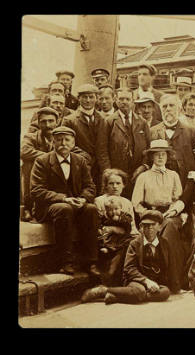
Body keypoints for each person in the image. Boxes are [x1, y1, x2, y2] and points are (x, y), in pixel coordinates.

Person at [30, 126, 100, 277]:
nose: (63, 143)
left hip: (75, 204)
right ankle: (66, 262)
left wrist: (83, 199)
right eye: (59, 140)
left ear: (73, 143)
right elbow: (36, 190)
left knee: (91, 209)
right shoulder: (42, 161)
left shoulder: (79, 161)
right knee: (64, 209)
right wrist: (63, 198)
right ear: (53, 143)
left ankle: (90, 261)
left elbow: (90, 186)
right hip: (49, 207)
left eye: (67, 140)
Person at [81, 210, 171, 305]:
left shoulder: (164, 243)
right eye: (146, 225)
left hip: (153, 281)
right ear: (141, 227)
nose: (150, 228)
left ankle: (118, 296)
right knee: (139, 291)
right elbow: (129, 268)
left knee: (165, 292)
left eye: (153, 225)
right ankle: (103, 290)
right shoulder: (135, 244)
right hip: (136, 280)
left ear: (160, 227)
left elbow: (168, 265)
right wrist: (146, 281)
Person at [131, 139, 187, 293]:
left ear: (168, 157)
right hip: (150, 214)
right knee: (155, 230)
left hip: (169, 214)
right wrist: (148, 214)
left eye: (163, 154)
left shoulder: (173, 175)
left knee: (168, 230)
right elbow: (136, 203)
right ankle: (157, 281)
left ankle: (175, 283)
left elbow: (178, 199)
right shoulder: (144, 177)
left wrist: (173, 211)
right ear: (152, 157)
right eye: (157, 155)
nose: (161, 158)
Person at [99, 87, 151, 199]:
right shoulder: (109, 121)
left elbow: (149, 148)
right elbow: (102, 149)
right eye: (121, 99)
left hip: (137, 172)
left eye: (127, 99)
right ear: (116, 101)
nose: (124, 102)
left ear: (133, 101)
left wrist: (144, 166)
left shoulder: (142, 122)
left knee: (137, 200)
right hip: (117, 173)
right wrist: (109, 172)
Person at [94, 168, 139, 286]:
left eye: (118, 183)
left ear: (123, 185)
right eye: (111, 183)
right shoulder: (99, 201)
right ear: (105, 185)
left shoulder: (127, 202)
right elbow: (100, 225)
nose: (115, 187)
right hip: (107, 238)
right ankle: (112, 281)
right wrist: (114, 230)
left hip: (125, 237)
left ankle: (130, 279)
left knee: (134, 244)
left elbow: (132, 225)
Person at [61, 84, 108, 191]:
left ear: (96, 99)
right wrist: (83, 156)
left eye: (91, 97)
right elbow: (65, 144)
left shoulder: (103, 119)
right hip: (79, 166)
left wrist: (106, 170)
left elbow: (104, 147)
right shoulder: (69, 120)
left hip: (99, 167)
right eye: (84, 97)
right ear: (78, 98)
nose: (88, 100)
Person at [150, 94, 195, 187]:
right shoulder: (152, 131)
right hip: (159, 184)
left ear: (179, 109)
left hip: (185, 183)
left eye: (171, 105)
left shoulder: (191, 131)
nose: (168, 109)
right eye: (164, 106)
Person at [21, 108, 59, 222]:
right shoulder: (30, 137)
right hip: (37, 173)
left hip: (55, 172)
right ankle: (29, 207)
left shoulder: (61, 136)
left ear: (57, 122)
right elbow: (24, 151)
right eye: (43, 121)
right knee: (28, 164)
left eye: (51, 121)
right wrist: (49, 157)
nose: (47, 125)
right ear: (38, 123)